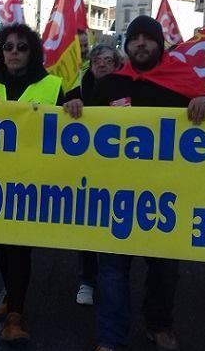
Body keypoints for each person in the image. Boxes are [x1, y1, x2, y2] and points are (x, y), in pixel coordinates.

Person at [82, 15, 205, 351]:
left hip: (166, 196)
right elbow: (83, 129)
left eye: (148, 38)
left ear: (160, 45)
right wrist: (76, 106)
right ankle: (111, 336)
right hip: (115, 196)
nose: (141, 43)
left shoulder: (184, 82)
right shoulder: (110, 85)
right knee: (111, 271)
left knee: (165, 270)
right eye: (135, 38)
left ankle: (160, 325)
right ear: (127, 46)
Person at [0, 23, 64, 344]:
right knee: (2, 247)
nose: (15, 52)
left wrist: (74, 106)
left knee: (19, 247)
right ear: (0, 51)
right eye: (8, 46)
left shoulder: (53, 85)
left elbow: (75, 128)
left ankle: (16, 316)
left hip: (32, 181)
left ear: (32, 52)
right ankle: (11, 297)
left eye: (22, 47)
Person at [62, 44, 122, 307]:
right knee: (87, 227)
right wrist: (69, 104)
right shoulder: (78, 90)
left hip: (120, 171)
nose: (102, 64)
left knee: (114, 227)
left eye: (108, 60)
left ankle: (112, 280)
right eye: (97, 59)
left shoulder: (127, 87)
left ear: (117, 65)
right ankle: (87, 279)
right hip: (85, 171)